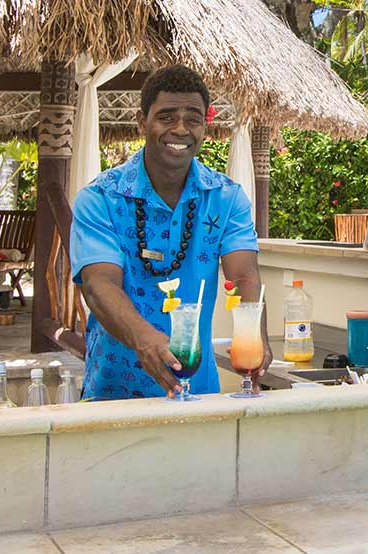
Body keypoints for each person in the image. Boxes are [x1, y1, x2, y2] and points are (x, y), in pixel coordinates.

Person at [71, 66, 267, 400]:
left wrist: (253, 336)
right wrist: (144, 338)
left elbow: (244, 276)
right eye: (166, 117)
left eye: (192, 119)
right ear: (141, 121)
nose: (180, 129)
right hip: (112, 394)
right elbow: (98, 284)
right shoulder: (100, 198)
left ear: (204, 125)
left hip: (198, 394)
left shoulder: (226, 197)